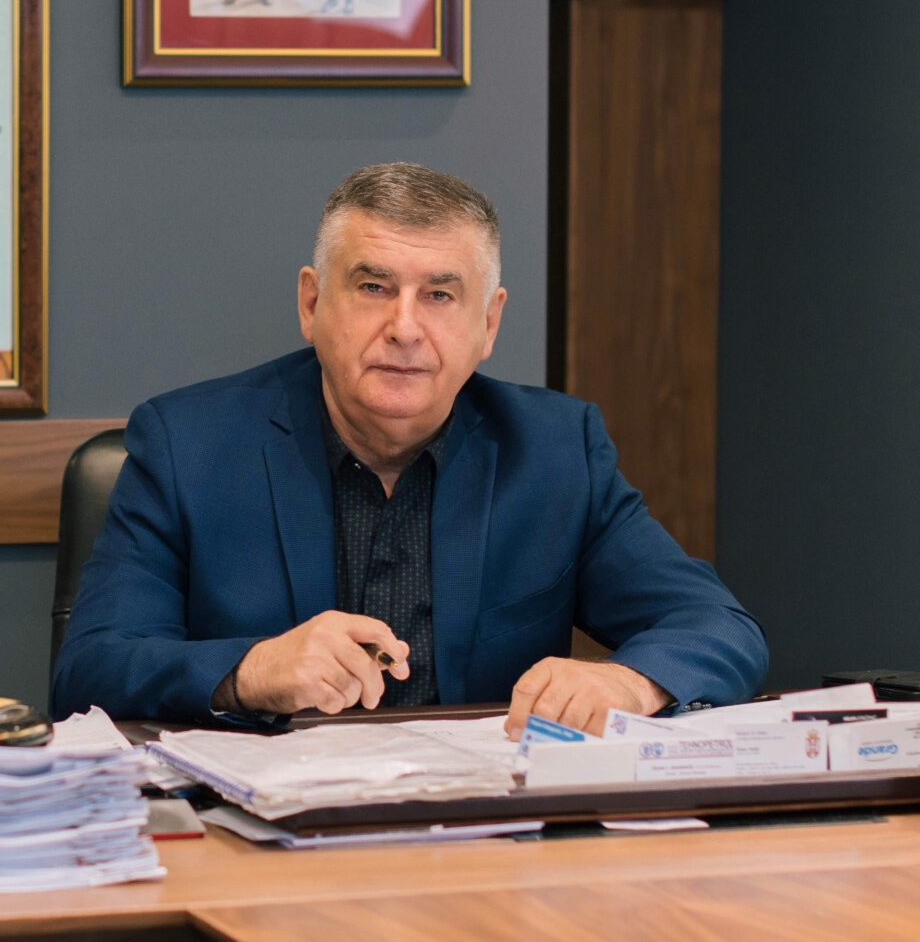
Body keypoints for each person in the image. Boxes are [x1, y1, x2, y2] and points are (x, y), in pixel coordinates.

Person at [52, 163, 767, 739]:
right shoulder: (188, 446)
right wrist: (249, 672)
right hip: (263, 839)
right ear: (311, 305)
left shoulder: (555, 452)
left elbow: (718, 627)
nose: (404, 327)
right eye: (374, 287)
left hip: (487, 836)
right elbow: (89, 671)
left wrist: (629, 682)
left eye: (440, 296)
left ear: (489, 325)